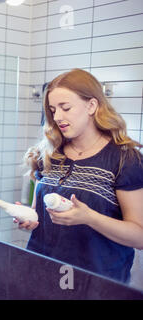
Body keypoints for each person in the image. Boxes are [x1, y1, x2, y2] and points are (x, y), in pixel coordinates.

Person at [19, 68, 143, 283]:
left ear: (92, 105)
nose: (57, 117)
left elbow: (139, 236)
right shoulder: (47, 153)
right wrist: (29, 218)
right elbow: (41, 212)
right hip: (40, 271)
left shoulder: (126, 159)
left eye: (65, 108)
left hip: (97, 282)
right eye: (52, 109)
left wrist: (89, 218)